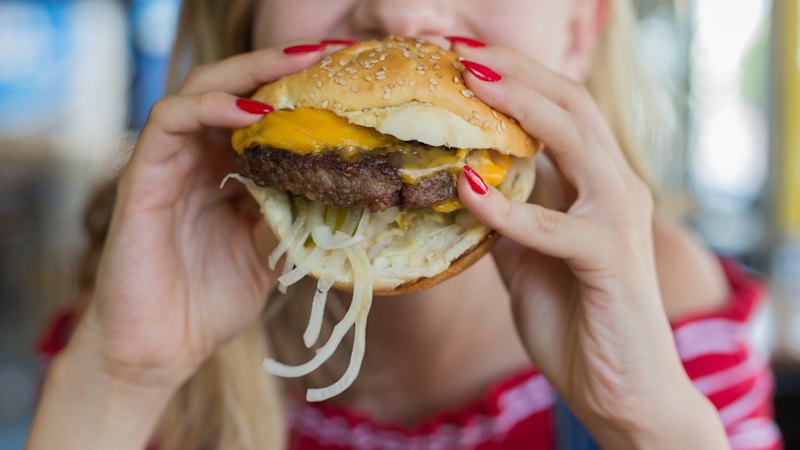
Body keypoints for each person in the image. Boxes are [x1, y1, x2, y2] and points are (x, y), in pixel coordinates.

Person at [26, 0, 781, 449]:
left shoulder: (676, 310)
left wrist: (646, 426)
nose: (396, 10)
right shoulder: (135, 307)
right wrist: (120, 382)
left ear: (578, 31)